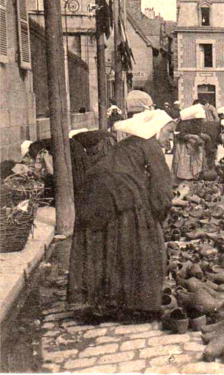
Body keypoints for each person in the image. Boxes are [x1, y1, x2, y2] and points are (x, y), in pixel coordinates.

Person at [68, 110, 175, 320]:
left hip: (96, 192)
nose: (170, 137)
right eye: (169, 132)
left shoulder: (130, 144)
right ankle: (140, 304)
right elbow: (161, 185)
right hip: (117, 193)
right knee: (145, 244)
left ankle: (106, 299)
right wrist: (161, 212)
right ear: (157, 130)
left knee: (106, 243)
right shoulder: (151, 145)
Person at [172, 104, 206, 181]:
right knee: (184, 165)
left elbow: (197, 132)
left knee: (195, 164)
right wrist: (192, 137)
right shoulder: (183, 123)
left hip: (194, 147)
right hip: (184, 147)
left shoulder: (196, 124)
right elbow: (179, 135)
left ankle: (194, 177)